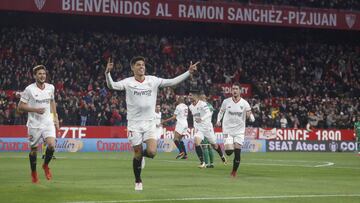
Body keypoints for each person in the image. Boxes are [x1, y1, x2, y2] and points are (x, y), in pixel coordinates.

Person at [105, 56, 199, 191]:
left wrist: (188, 72)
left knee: (152, 152)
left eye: (143, 64)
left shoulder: (153, 80)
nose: (141, 67)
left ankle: (141, 156)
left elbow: (172, 82)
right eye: (138, 65)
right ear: (132, 68)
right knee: (137, 153)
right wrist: (107, 73)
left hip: (149, 123)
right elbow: (112, 85)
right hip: (134, 124)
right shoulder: (128, 82)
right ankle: (138, 180)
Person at [17, 65, 59, 183]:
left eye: (44, 74)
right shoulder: (29, 89)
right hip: (34, 124)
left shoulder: (51, 87)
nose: (42, 76)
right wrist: (36, 110)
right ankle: (34, 172)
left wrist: (55, 117)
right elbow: (20, 106)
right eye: (40, 74)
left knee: (51, 145)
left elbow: (52, 101)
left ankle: (45, 165)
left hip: (47, 123)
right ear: (34, 76)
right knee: (34, 150)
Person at [216, 82, 255, 177]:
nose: (234, 91)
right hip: (227, 130)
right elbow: (221, 112)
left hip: (239, 131)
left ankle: (234, 172)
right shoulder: (226, 102)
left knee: (238, 151)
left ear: (240, 90)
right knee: (229, 152)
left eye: (236, 89)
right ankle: (230, 147)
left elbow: (251, 115)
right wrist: (218, 120)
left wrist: (251, 118)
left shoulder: (244, 103)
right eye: (233, 89)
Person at [188, 89, 227, 168]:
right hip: (199, 128)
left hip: (207, 128)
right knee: (196, 141)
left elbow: (209, 113)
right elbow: (194, 117)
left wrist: (201, 119)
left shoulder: (203, 104)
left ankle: (222, 155)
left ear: (195, 96)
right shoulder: (190, 106)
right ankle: (202, 162)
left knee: (214, 145)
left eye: (190, 95)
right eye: (189, 95)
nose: (189, 97)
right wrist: (195, 126)